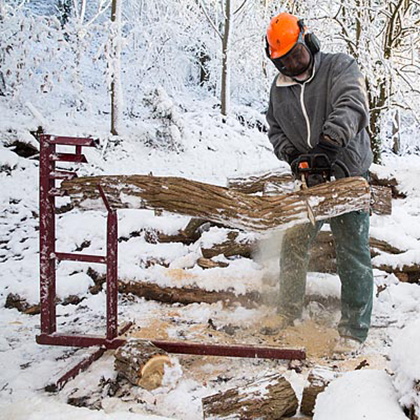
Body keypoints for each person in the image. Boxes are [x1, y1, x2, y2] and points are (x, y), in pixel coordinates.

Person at [265, 12, 374, 352]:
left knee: (351, 250)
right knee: (293, 244)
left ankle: (354, 330)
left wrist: (329, 144)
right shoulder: (279, 90)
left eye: (297, 54)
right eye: (284, 61)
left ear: (308, 42)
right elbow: (275, 128)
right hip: (309, 182)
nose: (294, 64)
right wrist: (291, 156)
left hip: (347, 177)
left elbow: (352, 105)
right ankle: (288, 312)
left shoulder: (339, 67)